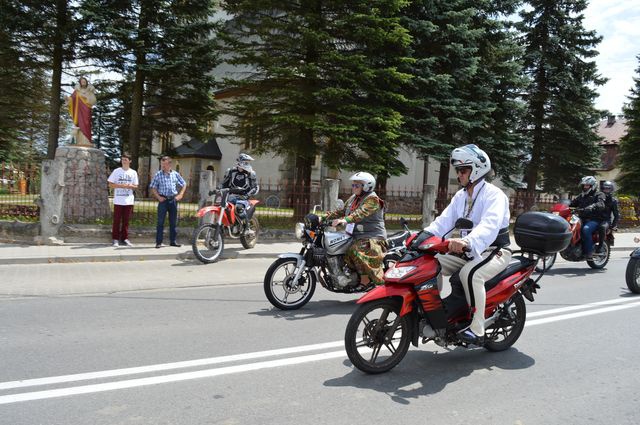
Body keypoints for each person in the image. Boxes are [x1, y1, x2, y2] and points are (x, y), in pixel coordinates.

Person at [415, 144, 511, 346]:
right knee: (429, 263)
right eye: (458, 170)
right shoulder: (461, 196)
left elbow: (489, 226)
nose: (459, 175)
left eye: (463, 170)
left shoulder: (494, 195)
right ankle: (436, 312)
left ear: (476, 170)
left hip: (494, 251)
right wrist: (422, 236)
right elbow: (443, 221)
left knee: (471, 275)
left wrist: (467, 242)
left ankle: (477, 330)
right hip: (467, 250)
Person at [323, 171, 387, 288]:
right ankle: (349, 277)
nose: (353, 187)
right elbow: (341, 211)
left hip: (372, 237)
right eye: (353, 185)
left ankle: (370, 281)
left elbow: (360, 213)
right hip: (355, 235)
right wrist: (321, 217)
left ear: (366, 186)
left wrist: (344, 220)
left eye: (356, 185)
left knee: (355, 250)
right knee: (341, 249)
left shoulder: (373, 200)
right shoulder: (353, 198)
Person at [149, 156, 187, 248]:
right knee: (160, 222)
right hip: (163, 200)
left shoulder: (175, 174)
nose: (162, 166)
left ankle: (173, 241)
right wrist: (158, 197)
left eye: (164, 164)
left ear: (169, 164)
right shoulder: (158, 174)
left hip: (173, 200)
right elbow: (153, 186)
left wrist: (181, 194)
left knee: (173, 222)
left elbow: (184, 184)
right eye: (162, 164)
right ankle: (158, 242)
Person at [221, 153, 259, 233]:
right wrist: (220, 190)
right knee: (222, 207)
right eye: (245, 162)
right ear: (240, 162)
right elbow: (224, 184)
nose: (247, 164)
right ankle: (222, 226)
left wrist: (248, 194)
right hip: (230, 196)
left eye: (248, 162)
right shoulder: (230, 172)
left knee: (239, 208)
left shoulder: (251, 173)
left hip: (243, 198)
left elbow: (255, 187)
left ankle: (247, 228)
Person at [569, 176, 605, 260]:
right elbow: (572, 204)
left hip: (594, 219)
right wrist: (565, 206)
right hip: (581, 218)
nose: (585, 187)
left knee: (586, 229)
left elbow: (601, 204)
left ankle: (589, 252)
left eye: (587, 185)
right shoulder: (581, 196)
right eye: (584, 185)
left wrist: (593, 206)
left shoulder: (599, 194)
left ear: (593, 186)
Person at [107, 153, 139, 247]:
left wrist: (130, 186)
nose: (123, 161)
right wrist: (121, 185)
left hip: (128, 200)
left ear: (130, 161)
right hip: (118, 200)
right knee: (116, 221)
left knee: (126, 221)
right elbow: (110, 184)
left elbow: (136, 186)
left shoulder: (133, 172)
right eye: (122, 159)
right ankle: (115, 239)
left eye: (125, 159)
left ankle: (125, 238)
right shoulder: (117, 171)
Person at [66, 77, 97, 146]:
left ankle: (86, 141)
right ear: (80, 83)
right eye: (82, 81)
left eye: (84, 81)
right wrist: (68, 100)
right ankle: (77, 141)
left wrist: (87, 97)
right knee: (79, 124)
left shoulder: (89, 91)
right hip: (78, 110)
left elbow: (93, 100)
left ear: (86, 82)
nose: (83, 82)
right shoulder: (77, 91)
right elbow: (71, 99)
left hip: (86, 109)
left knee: (86, 123)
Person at [596, 180, 620, 252]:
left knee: (602, 227)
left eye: (608, 188)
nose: (606, 190)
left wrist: (613, 226)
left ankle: (600, 246)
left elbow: (616, 215)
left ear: (611, 189)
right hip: (595, 218)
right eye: (604, 188)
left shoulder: (613, 201)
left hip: (605, 220)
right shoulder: (598, 198)